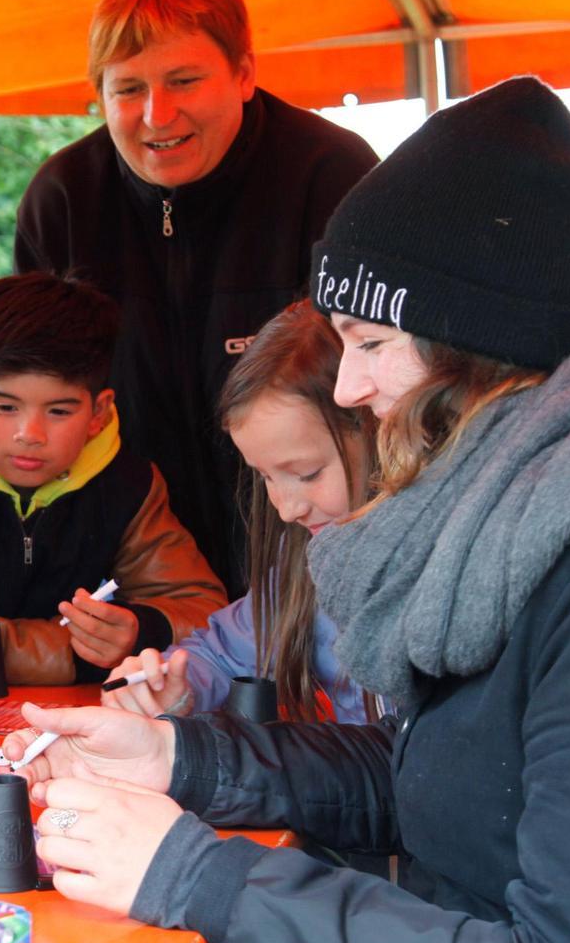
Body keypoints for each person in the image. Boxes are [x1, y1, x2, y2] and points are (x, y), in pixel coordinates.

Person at [5, 78, 570, 943]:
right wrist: (180, 760)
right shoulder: (530, 519)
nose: (354, 389)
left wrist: (196, 875)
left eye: (370, 344)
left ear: (480, 348)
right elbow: (445, 785)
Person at [14, 0, 377, 598]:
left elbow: (382, 399)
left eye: (184, 81)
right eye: (128, 89)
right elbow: (28, 400)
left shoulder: (332, 177)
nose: (157, 114)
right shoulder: (62, 200)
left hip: (312, 565)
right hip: (130, 578)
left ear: (243, 74)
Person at [0, 272, 224, 685]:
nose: (30, 434)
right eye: (6, 407)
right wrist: (88, 655)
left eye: (59, 411)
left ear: (99, 413)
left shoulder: (129, 481)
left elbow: (202, 610)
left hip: (66, 718)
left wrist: (140, 629)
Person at [103, 301, 374, 722]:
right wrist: (173, 685)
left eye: (306, 473)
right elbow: (220, 653)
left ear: (381, 428)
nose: (286, 510)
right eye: (266, 477)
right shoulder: (302, 563)